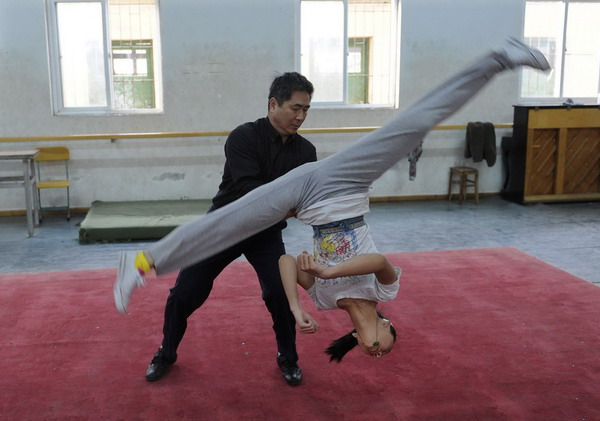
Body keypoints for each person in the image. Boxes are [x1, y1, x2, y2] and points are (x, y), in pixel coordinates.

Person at [114, 38, 550, 365]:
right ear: (386, 324)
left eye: (372, 351)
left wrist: (301, 300)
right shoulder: (386, 290)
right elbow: (377, 259)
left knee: (228, 222)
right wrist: (329, 269)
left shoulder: (327, 302)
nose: (375, 348)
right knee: (413, 126)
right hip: (347, 188)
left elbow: (288, 262)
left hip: (308, 201)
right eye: (383, 344)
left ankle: (140, 262)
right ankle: (500, 58)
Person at [133, 72, 317, 386]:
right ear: (273, 104)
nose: (300, 116)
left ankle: (288, 358)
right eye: (294, 108)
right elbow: (250, 190)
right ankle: (166, 352)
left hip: (266, 231)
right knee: (185, 293)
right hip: (223, 225)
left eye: (306, 110)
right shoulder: (243, 137)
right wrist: (289, 204)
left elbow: (307, 197)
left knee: (279, 294)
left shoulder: (305, 152)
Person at [279, 249, 401, 361]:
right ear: (386, 324)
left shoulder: (324, 301)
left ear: (356, 336)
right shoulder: (384, 293)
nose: (378, 354)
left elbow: (286, 260)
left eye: (376, 355)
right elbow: (380, 261)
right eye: (386, 349)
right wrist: (325, 273)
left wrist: (296, 309)